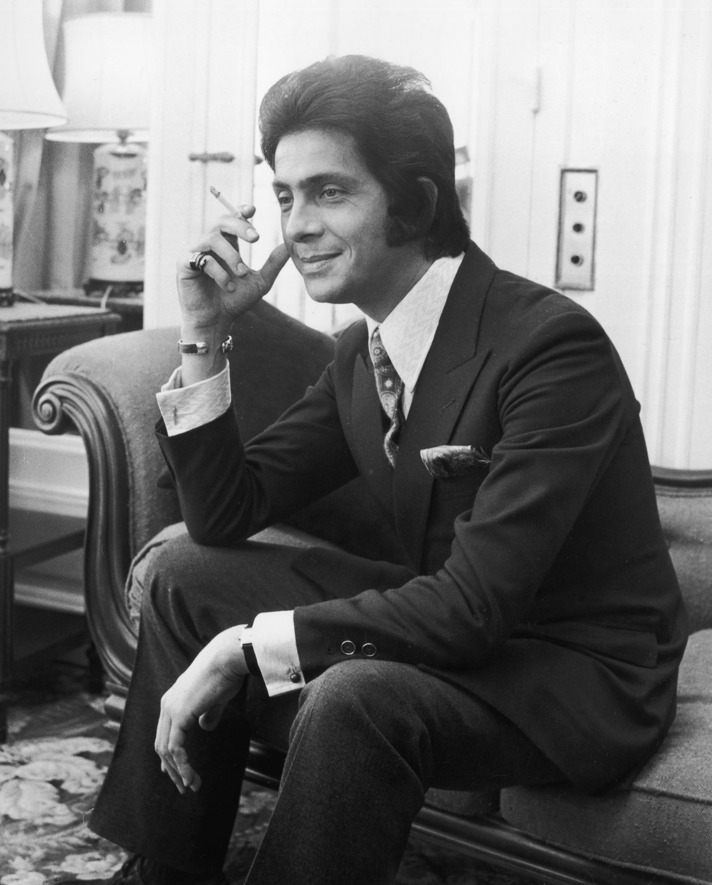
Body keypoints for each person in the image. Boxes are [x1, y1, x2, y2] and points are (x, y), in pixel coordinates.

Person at [64, 55, 687, 885]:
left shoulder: (550, 347)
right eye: (285, 196)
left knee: (353, 693)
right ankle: (164, 872)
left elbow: (472, 608)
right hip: (454, 623)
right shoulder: (364, 352)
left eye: (329, 192)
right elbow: (223, 514)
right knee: (185, 572)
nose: (296, 226)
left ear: (416, 201)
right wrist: (205, 332)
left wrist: (247, 647)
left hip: (566, 669)